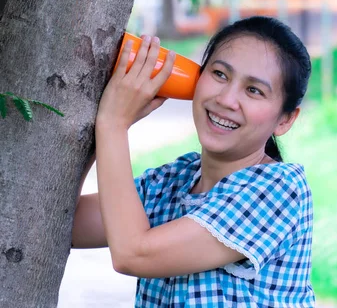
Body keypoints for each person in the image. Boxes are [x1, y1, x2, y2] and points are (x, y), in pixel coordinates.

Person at [72, 16, 315, 307]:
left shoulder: (279, 189)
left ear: (285, 120)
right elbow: (66, 224)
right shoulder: (174, 180)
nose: (226, 99)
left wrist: (113, 123)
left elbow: (133, 254)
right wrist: (98, 125)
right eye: (220, 74)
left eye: (254, 90)